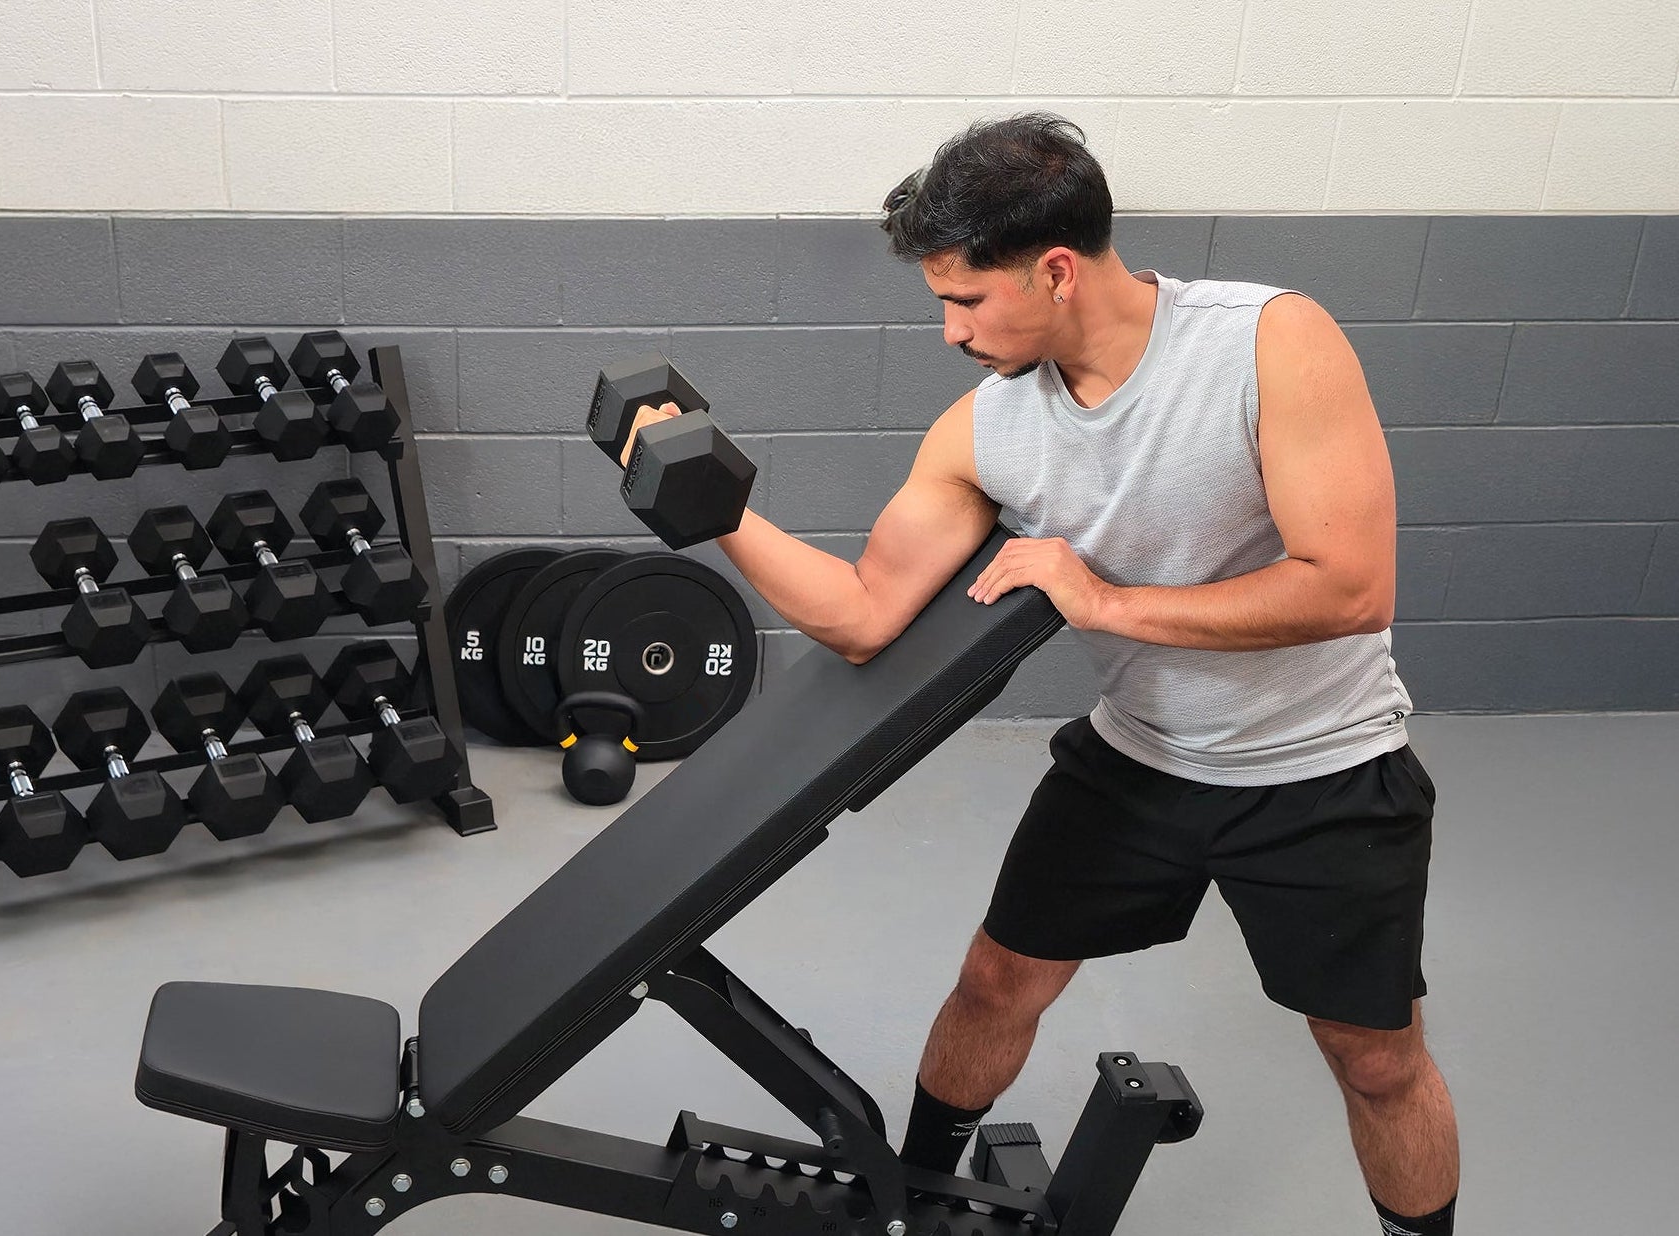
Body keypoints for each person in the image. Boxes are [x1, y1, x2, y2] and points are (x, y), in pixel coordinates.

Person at [620, 113, 1458, 1235]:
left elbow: (1349, 587)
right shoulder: (989, 430)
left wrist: (1106, 602)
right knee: (995, 984)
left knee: (1377, 1061)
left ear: (1056, 270)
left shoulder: (1269, 343)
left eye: (966, 300)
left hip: (1321, 771)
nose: (952, 332)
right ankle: (909, 1202)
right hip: (1140, 763)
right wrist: (716, 513)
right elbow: (865, 614)